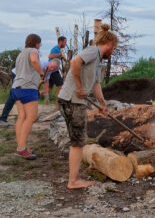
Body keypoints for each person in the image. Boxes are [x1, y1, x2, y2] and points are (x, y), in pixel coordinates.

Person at [58, 24, 117, 189]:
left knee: (78, 141)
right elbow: (74, 61)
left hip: (71, 101)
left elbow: (96, 84)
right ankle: (73, 181)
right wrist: (79, 86)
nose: (112, 52)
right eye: (113, 48)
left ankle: (73, 178)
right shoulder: (93, 51)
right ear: (109, 44)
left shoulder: (97, 59)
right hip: (72, 101)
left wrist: (102, 104)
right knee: (78, 142)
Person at [11, 34, 44, 160]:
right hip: (27, 88)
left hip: (16, 87)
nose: (40, 46)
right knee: (31, 117)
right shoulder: (33, 51)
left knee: (22, 117)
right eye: (39, 44)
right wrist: (41, 74)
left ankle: (20, 145)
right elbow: (34, 60)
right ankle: (22, 149)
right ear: (36, 43)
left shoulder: (21, 53)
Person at [0, 61, 59, 126]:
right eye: (51, 67)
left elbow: (46, 81)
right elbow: (30, 76)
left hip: (29, 78)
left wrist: (46, 96)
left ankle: (32, 117)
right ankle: (2, 119)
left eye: (54, 69)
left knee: (34, 95)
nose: (52, 69)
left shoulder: (50, 69)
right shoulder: (40, 64)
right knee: (14, 95)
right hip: (18, 74)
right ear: (49, 63)